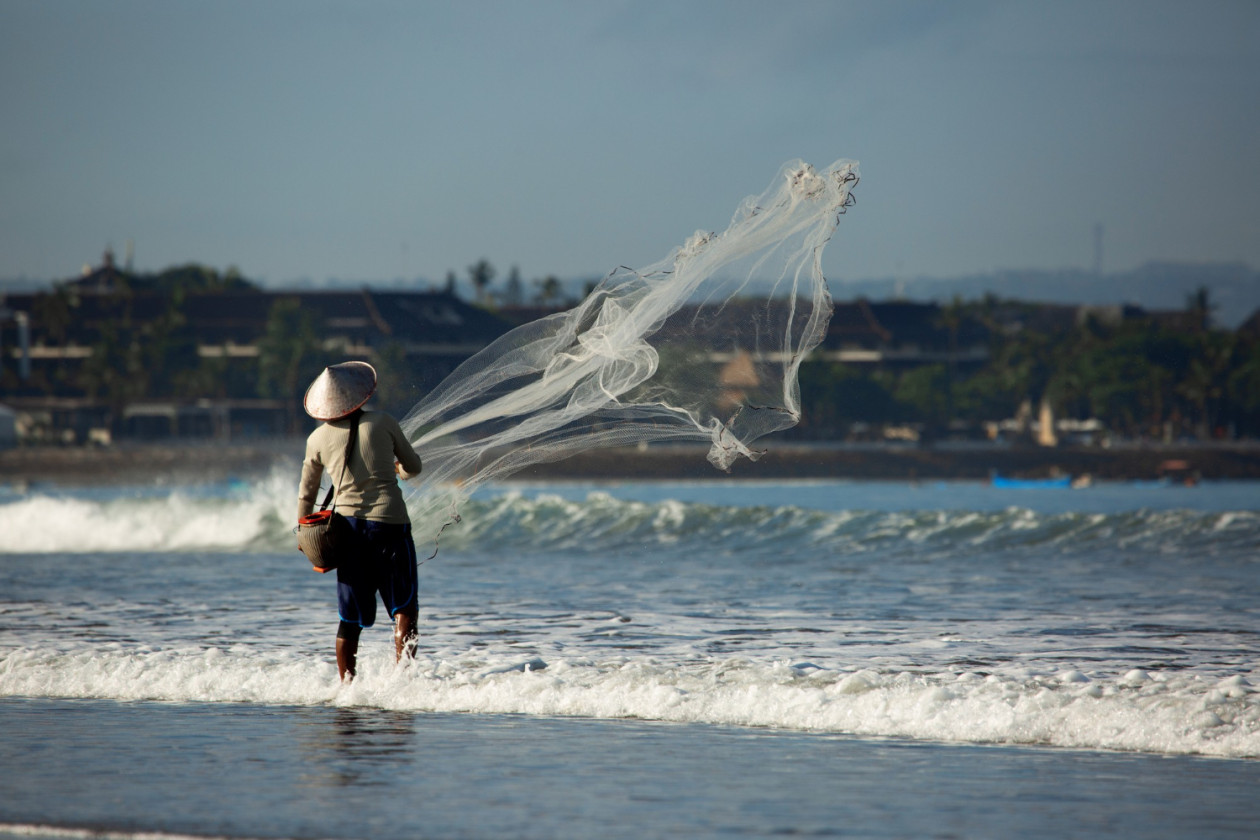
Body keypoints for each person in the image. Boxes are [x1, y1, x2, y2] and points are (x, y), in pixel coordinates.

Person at [297, 361, 424, 682]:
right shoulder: (383, 422)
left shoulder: (316, 440)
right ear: (359, 396)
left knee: (349, 618)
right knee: (404, 608)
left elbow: (306, 495)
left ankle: (347, 687)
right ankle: (403, 682)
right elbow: (413, 467)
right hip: (390, 525)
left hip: (348, 532)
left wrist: (302, 535)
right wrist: (395, 469)